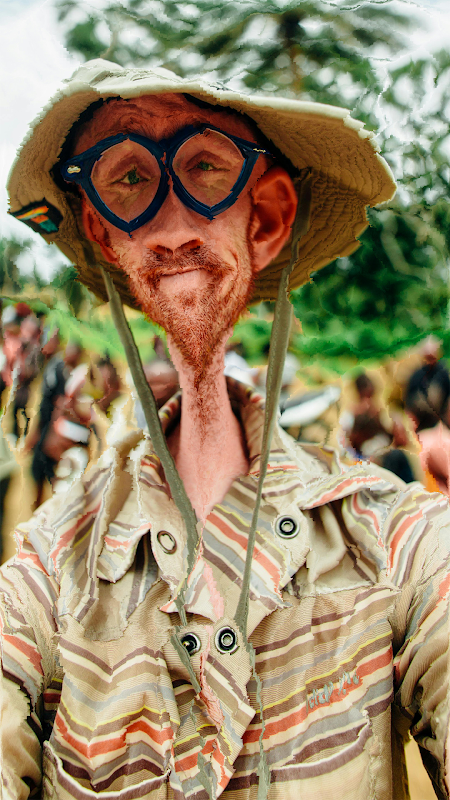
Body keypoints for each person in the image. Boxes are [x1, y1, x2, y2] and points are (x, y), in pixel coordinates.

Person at [2, 60, 450, 800]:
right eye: (128, 180)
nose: (171, 226)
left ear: (266, 218)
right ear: (103, 233)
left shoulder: (395, 541)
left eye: (205, 168)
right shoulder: (53, 572)